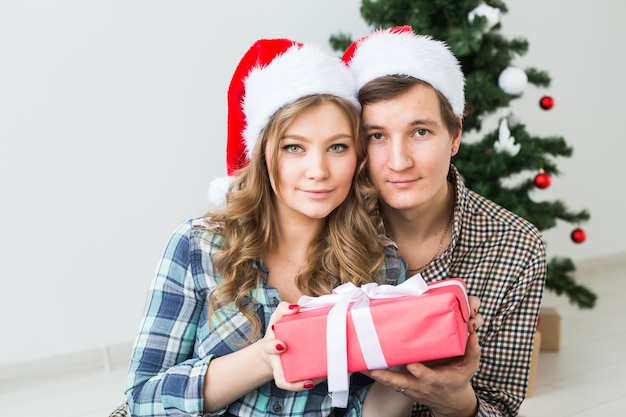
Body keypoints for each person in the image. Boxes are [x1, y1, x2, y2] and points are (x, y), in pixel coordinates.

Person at [124, 38, 412, 417]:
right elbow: (143, 399)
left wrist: (423, 371)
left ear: (357, 155)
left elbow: (369, 405)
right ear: (263, 155)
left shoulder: (381, 265)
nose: (318, 171)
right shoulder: (199, 247)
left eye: (337, 147)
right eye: (294, 147)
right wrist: (266, 357)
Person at [342, 26, 547, 416]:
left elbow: (500, 406)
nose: (399, 162)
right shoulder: (328, 221)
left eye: (420, 132)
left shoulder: (516, 247)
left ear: (454, 135)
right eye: (377, 136)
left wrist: (456, 402)